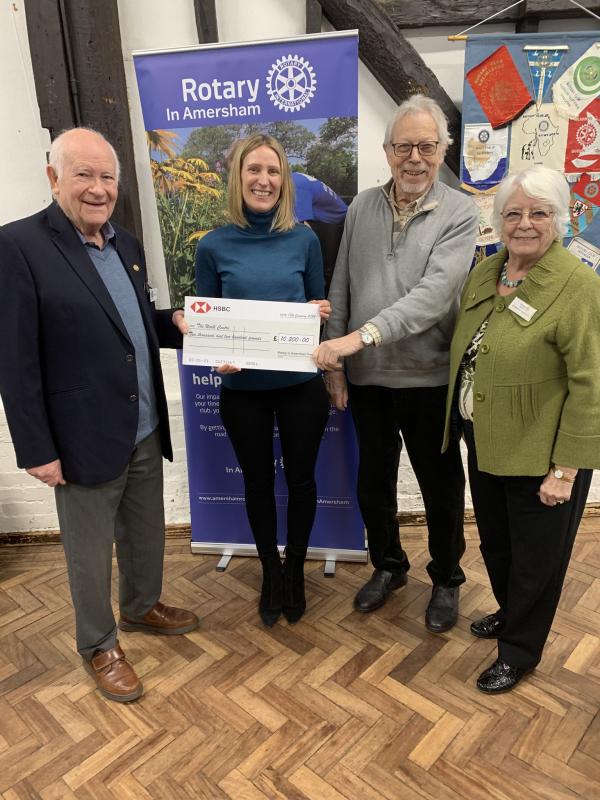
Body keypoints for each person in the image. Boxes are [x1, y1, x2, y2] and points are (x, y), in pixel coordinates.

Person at [0, 128, 198, 704]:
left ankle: (141, 606)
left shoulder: (127, 245)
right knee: (88, 551)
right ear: (53, 177)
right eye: (83, 174)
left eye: (107, 177)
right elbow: (14, 359)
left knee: (145, 531)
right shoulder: (18, 247)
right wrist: (36, 447)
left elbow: (131, 324)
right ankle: (99, 644)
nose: (98, 188)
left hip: (141, 424)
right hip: (79, 433)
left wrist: (175, 325)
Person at [313, 95, 478, 632]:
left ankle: (448, 578)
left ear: (442, 151)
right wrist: (337, 364)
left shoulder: (461, 211)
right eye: (404, 146)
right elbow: (342, 283)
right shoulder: (360, 206)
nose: (415, 157)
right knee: (374, 480)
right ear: (386, 151)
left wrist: (359, 339)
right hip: (366, 378)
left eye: (427, 146)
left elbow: (434, 296)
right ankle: (388, 566)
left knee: (441, 485)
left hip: (430, 378)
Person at [443, 165, 600, 693]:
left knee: (537, 558)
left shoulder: (576, 284)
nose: (524, 223)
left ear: (558, 220)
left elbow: (590, 383)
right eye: (513, 212)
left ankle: (520, 651)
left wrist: (566, 469)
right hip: (486, 440)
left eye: (539, 213)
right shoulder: (486, 272)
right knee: (498, 544)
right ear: (499, 219)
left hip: (543, 454)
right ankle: (512, 614)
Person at [194, 134, 330, 627]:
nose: (264, 180)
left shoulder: (305, 238)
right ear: (238, 177)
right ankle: (270, 571)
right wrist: (217, 354)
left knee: (301, 480)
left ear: (285, 180)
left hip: (299, 388)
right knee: (257, 483)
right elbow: (208, 320)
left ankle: (295, 568)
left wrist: (319, 313)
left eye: (273, 171)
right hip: (242, 393)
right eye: (254, 170)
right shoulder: (212, 245)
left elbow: (317, 313)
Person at [292, 171, 348, 293]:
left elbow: (298, 231)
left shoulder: (296, 185)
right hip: (323, 220)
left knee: (328, 272)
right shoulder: (295, 178)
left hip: (337, 223)